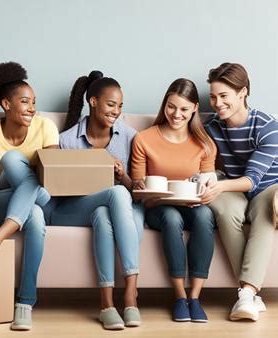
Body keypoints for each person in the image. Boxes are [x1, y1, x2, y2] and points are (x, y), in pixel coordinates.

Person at [55, 71, 144, 330]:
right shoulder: (67, 140)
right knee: (115, 194)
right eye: (110, 104)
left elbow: (135, 189)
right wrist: (91, 169)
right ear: (93, 102)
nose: (116, 111)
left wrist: (122, 174)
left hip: (118, 207)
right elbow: (62, 191)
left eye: (120, 106)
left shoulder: (129, 136)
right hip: (79, 204)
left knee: (106, 214)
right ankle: (131, 293)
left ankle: (107, 305)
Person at [0, 61, 59, 331]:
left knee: (34, 212)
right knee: (12, 160)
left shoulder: (46, 127)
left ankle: (24, 303)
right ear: (6, 104)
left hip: (42, 200)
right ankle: (7, 228)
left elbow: (53, 177)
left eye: (34, 101)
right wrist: (23, 181)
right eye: (24, 101)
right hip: (3, 198)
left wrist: (29, 186)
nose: (32, 108)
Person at [131, 78, 217, 322]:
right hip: (158, 206)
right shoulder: (144, 139)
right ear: (164, 105)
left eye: (183, 109)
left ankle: (195, 298)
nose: (176, 114)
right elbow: (138, 191)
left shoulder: (204, 143)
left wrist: (201, 194)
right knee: (171, 217)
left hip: (192, 205)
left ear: (194, 110)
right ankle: (179, 296)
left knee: (205, 215)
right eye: (171, 106)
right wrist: (143, 187)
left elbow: (207, 184)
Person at [203, 62, 278, 321]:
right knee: (225, 210)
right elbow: (203, 163)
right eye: (213, 96)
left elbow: (253, 180)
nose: (217, 103)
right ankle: (250, 296)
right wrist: (210, 179)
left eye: (224, 96)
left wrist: (219, 184)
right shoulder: (212, 127)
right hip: (232, 187)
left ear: (242, 93)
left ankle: (245, 294)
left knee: (266, 213)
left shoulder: (267, 126)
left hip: (268, 186)